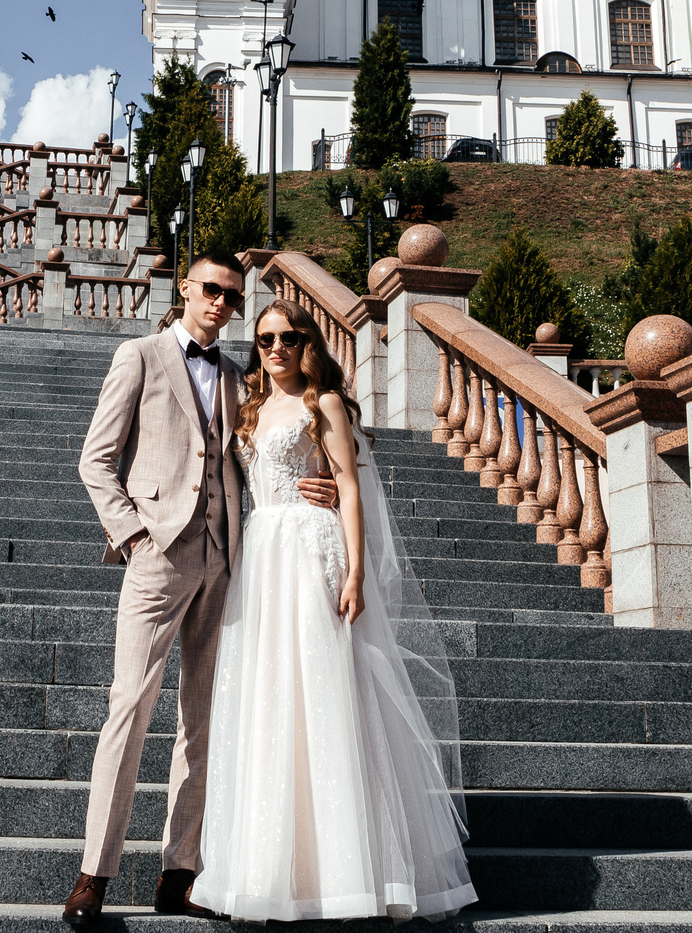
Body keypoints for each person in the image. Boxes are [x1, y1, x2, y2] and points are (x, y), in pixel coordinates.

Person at [66, 253, 339, 927]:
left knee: (204, 718)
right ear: (185, 288)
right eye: (211, 289)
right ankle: (94, 874)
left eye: (233, 296)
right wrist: (134, 536)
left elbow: (275, 449)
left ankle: (180, 871)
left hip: (227, 559)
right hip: (158, 555)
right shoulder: (140, 355)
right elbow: (95, 459)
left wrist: (324, 484)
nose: (221, 302)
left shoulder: (240, 377)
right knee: (129, 707)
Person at [190, 299, 474, 921]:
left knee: (324, 691)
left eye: (289, 337)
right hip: (261, 557)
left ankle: (346, 873)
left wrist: (356, 572)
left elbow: (348, 484)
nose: (276, 348)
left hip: (310, 549)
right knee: (269, 697)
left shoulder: (325, 404)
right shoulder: (250, 405)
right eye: (265, 338)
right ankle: (270, 870)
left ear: (308, 344)